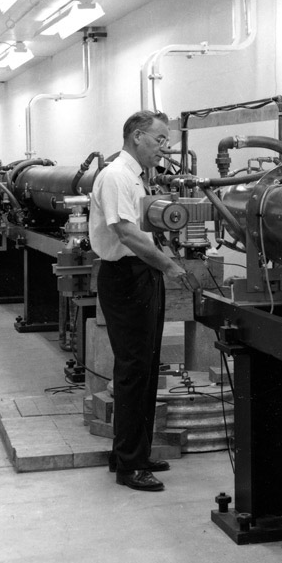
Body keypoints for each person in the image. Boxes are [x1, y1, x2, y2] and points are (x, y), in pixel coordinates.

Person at [89, 110, 190, 492]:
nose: (165, 149)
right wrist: (171, 267)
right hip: (127, 277)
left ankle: (134, 452)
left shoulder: (134, 177)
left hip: (142, 275)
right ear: (136, 137)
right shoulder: (116, 176)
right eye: (159, 140)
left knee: (146, 367)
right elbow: (127, 234)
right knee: (134, 369)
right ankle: (129, 465)